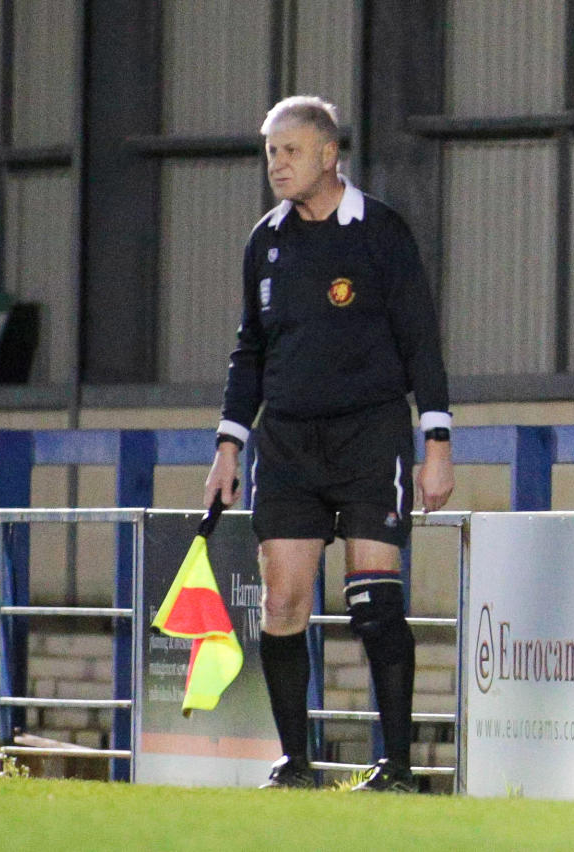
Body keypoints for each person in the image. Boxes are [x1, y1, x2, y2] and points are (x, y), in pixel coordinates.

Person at [204, 95, 454, 792]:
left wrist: (437, 440)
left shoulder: (380, 232)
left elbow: (421, 341)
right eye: (270, 151)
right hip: (284, 444)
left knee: (373, 602)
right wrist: (229, 444)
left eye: (289, 150)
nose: (276, 164)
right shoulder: (266, 240)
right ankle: (295, 763)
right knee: (282, 603)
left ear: (328, 154)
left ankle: (398, 768)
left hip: (371, 436)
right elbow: (249, 349)